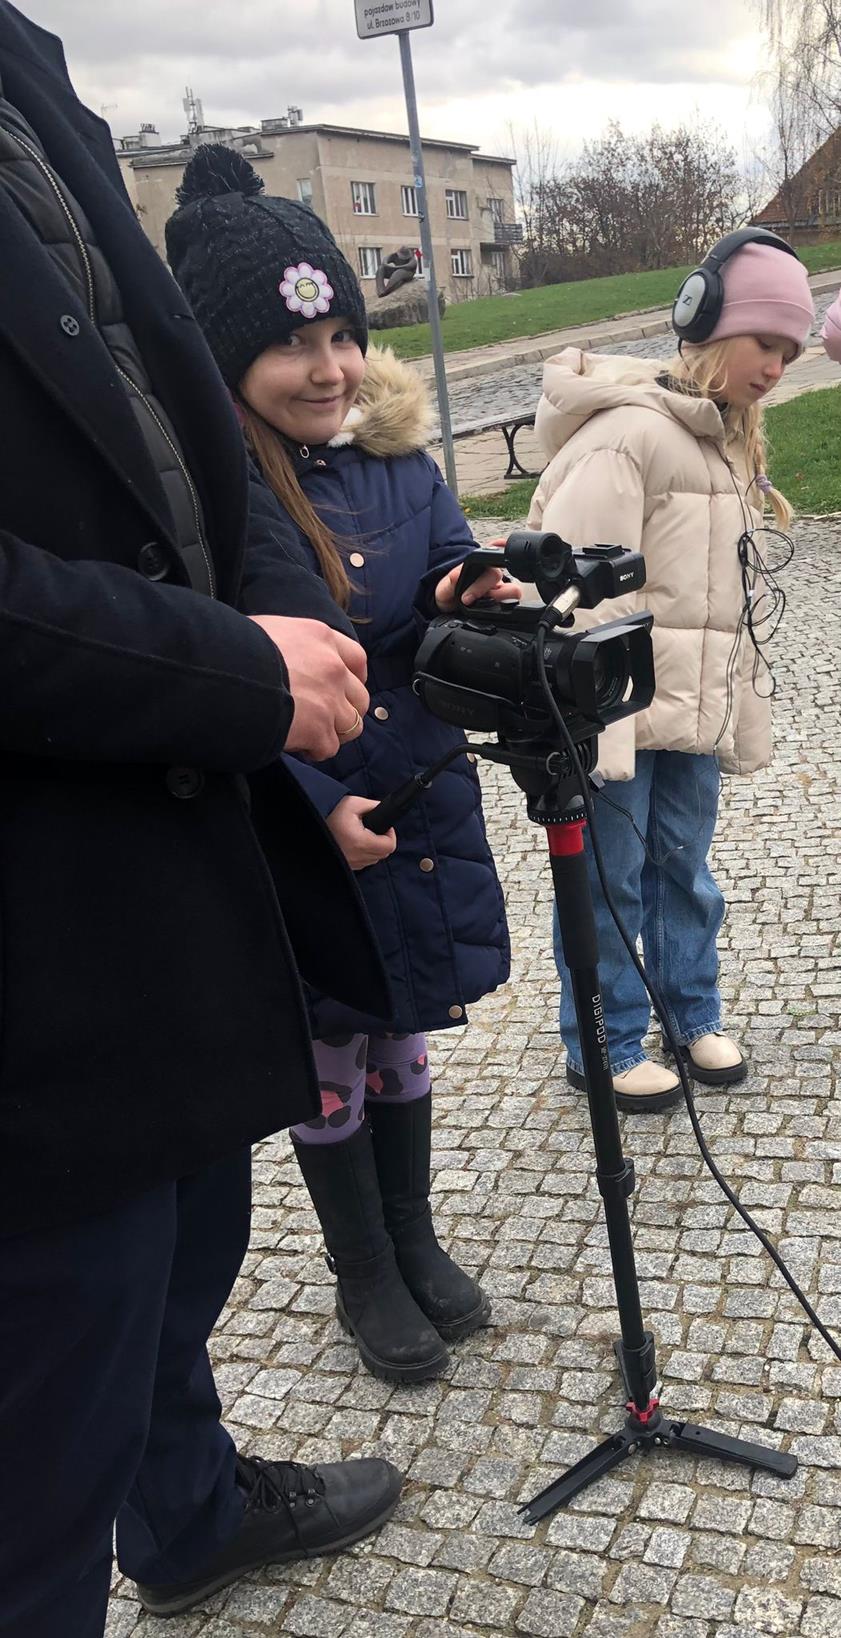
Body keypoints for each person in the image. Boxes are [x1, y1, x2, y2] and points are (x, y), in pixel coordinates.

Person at [0, 8, 404, 1636]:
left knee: (182, 1235)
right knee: (44, 1401)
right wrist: (233, 670)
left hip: (166, 860)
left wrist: (304, 623)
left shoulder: (30, 66)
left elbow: (173, 419)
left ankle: (180, 1507)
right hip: (34, 901)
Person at [165, 147, 514, 1384]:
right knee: (330, 1045)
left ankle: (413, 1235)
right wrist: (311, 807)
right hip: (310, 816)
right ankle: (361, 1264)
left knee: (402, 1024)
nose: (328, 370)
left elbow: (438, 577)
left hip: (413, 790)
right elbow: (218, 671)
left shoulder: (400, 464)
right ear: (224, 361)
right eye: (290, 348)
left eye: (342, 338)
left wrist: (466, 588)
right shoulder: (214, 499)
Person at [527, 231, 814, 1111]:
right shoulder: (628, 438)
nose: (775, 368)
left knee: (683, 872)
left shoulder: (727, 444)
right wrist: (595, 723)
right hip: (617, 712)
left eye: (789, 352)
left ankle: (691, 1014)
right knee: (607, 881)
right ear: (708, 323)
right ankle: (604, 1042)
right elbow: (573, 592)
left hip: (689, 710)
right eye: (764, 343)